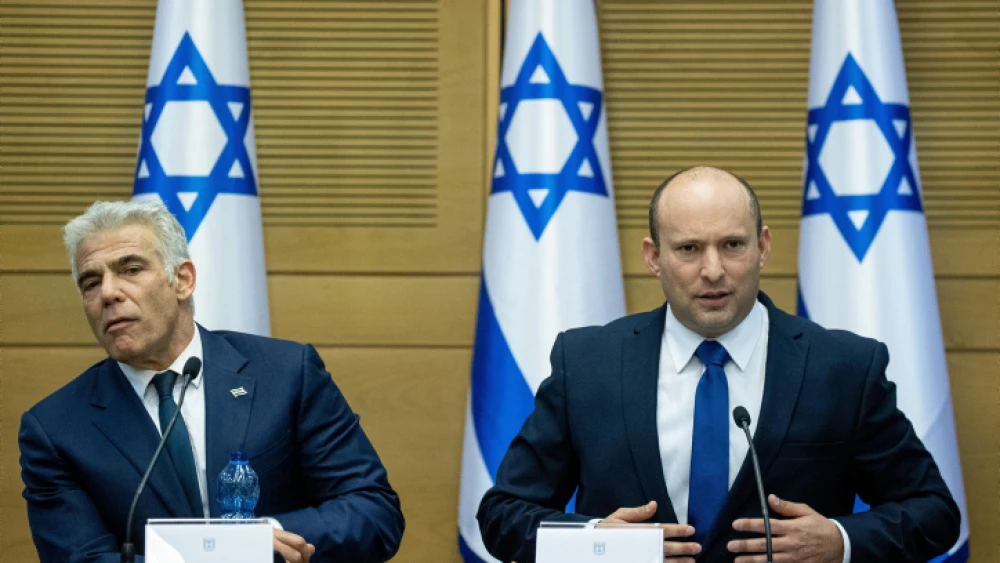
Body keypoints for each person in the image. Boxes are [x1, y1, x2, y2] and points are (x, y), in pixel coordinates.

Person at [477, 166, 960, 562]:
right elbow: (502, 514)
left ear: (763, 246)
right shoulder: (587, 364)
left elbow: (934, 512)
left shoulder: (845, 367)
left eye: (732, 245)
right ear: (654, 257)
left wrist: (840, 540)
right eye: (688, 249)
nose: (713, 270)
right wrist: (599, 548)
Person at [19, 201, 405, 563]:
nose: (108, 293)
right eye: (90, 282)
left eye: (131, 269)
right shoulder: (57, 428)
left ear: (183, 280)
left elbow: (373, 511)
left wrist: (268, 537)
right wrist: (228, 552)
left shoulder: (287, 374)